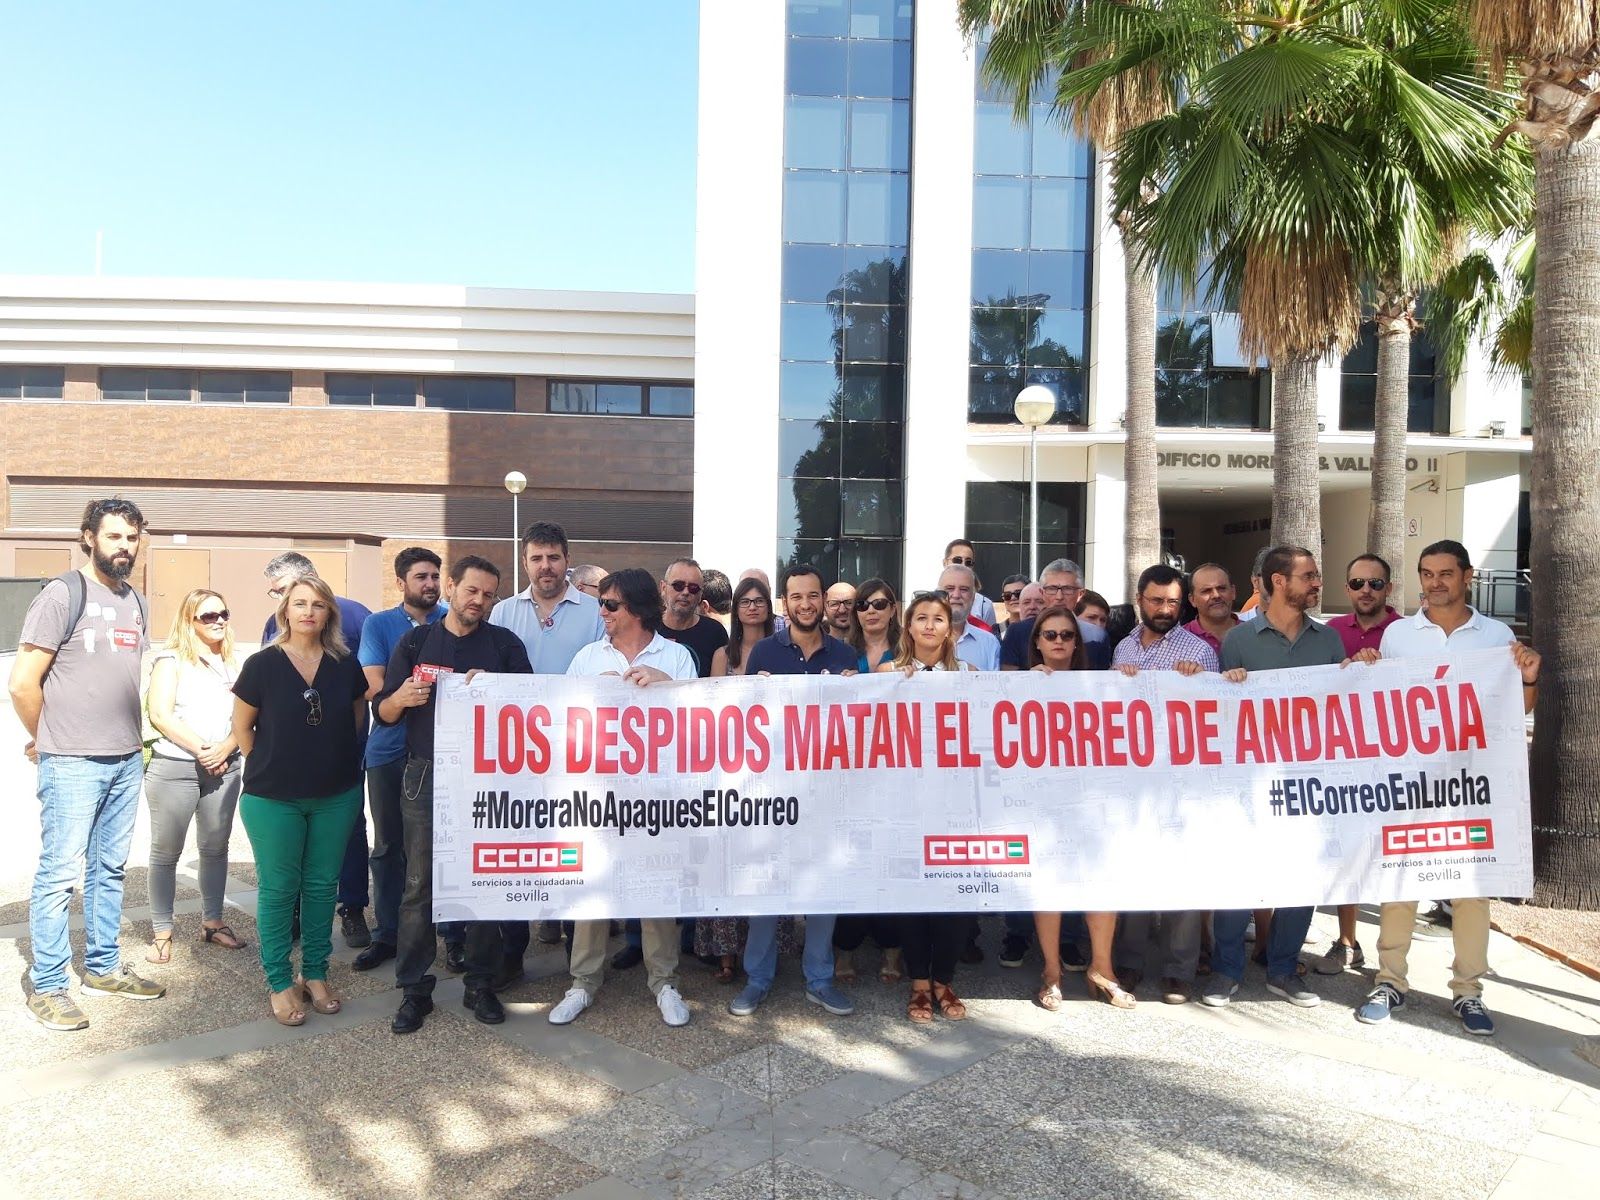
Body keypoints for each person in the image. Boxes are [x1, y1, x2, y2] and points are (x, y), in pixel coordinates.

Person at [1353, 541, 1541, 1037]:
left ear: (1467, 577)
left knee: (1472, 890)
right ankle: (1390, 980)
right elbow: (1381, 706)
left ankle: (1468, 992)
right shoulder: (1398, 635)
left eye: (1445, 573)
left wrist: (1528, 681)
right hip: (1411, 786)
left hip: (1471, 786)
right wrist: (1369, 666)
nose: (1435, 582)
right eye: (1427, 573)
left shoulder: (1497, 635)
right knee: (1400, 880)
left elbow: (1511, 713)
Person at [11, 498, 165, 1029]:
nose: (125, 546)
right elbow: (22, 682)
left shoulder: (137, 602)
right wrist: (46, 738)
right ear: (88, 538)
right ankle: (49, 985)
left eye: (132, 537)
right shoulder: (62, 594)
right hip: (72, 761)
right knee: (59, 876)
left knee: (109, 870)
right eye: (115, 536)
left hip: (125, 757)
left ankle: (103, 966)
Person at [376, 556, 534, 1034]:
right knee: (419, 885)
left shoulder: (505, 644)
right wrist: (398, 700)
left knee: (484, 881)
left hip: (487, 779)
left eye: (488, 595)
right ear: (450, 587)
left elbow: (530, 710)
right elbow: (384, 711)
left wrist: (498, 694)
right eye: (472, 591)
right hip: (426, 775)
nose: (479, 602)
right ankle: (413, 988)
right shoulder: (416, 641)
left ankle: (480, 983)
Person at [547, 567, 696, 1028]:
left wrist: (666, 684)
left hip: (657, 795)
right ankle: (582, 981)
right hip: (597, 795)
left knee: (655, 887)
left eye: (611, 605)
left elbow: (701, 722)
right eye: (601, 604)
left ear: (636, 608)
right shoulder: (588, 658)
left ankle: (665, 982)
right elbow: (558, 718)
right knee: (591, 884)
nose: (603, 612)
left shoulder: (675, 656)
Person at [1205, 546, 1346, 1010]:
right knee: (1237, 876)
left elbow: (1345, 708)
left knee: (1299, 878)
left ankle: (1284, 970)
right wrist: (1230, 686)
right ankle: (1226, 971)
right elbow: (1221, 714)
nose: (1316, 583)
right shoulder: (1239, 642)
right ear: (1278, 581)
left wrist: (1361, 675)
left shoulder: (1328, 643)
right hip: (1248, 785)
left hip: (1308, 785)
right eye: (1308, 576)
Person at [232, 575, 368, 1027]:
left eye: (318, 605)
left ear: (330, 613)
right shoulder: (261, 664)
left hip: (336, 794)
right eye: (300, 603)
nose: (308, 612)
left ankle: (315, 972)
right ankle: (278, 980)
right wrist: (271, 764)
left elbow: (353, 720)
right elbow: (242, 728)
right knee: (278, 889)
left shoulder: (345, 665)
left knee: (321, 886)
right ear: (285, 611)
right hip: (273, 799)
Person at [731, 564, 856, 1019]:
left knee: (824, 886)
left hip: (825, 793)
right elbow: (744, 723)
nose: (805, 604)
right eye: (796, 597)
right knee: (766, 885)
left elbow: (857, 726)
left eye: (813, 595)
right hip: (773, 793)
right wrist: (753, 691)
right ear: (785, 604)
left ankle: (819, 979)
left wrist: (854, 692)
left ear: (823, 600)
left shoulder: (844, 656)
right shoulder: (764, 650)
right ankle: (758, 978)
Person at [489, 521, 608, 981]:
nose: (545, 566)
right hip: (517, 756)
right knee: (520, 851)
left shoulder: (597, 611)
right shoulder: (502, 612)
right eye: (536, 558)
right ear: (525, 562)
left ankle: (579, 961)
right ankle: (511, 953)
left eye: (553, 557)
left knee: (577, 849)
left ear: (567, 559)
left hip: (580, 754)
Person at [1109, 566, 1217, 1005]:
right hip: (1133, 781)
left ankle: (1178, 971)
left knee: (1182, 873)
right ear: (1140, 598)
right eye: (1156, 600)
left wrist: (1197, 683)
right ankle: (1130, 963)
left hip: (1183, 781)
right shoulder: (1122, 647)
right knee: (1135, 868)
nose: (1165, 609)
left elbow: (1214, 715)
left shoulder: (1199, 652)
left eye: (1173, 602)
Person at [259, 551, 374, 950]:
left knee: (347, 827)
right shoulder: (275, 625)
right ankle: (296, 909)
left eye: (277, 590)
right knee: (294, 834)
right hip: (287, 757)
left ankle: (352, 907)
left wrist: (343, 739)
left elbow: (362, 689)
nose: (275, 599)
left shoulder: (357, 616)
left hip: (340, 752)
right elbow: (261, 695)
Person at [1024, 605, 1132, 1011]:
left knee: (1102, 881)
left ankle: (1102, 969)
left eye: (1066, 635)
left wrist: (1132, 685)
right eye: (1049, 635)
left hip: (1093, 798)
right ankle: (1051, 972)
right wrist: (1024, 685)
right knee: (1048, 883)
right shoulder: (1016, 684)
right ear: (1036, 641)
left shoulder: (1101, 684)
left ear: (1076, 642)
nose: (1057, 642)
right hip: (1041, 800)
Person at [876, 591, 976, 1021]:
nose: (930, 625)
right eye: (922, 618)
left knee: (952, 897)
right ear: (909, 627)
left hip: (955, 803)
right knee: (913, 897)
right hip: (905, 803)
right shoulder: (887, 673)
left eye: (939, 618)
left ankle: (944, 980)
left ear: (950, 628)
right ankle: (918, 983)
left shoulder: (970, 674)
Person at [352, 547, 445, 973]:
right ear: (401, 583)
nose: (430, 584)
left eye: (435, 576)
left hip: (441, 753)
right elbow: (374, 687)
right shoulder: (379, 624)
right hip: (389, 751)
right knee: (389, 846)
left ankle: (449, 935)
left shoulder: (452, 621)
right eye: (421, 577)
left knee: (441, 848)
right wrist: (410, 692)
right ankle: (387, 933)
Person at [144, 588, 245, 965]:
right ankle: (161, 931)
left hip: (225, 765)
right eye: (208, 616)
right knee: (166, 851)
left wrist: (226, 748)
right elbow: (161, 715)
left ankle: (213, 922)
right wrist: (205, 749)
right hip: (176, 767)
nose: (218, 620)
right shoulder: (170, 661)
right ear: (189, 620)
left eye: (223, 613)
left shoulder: (236, 662)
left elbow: (248, 715)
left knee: (216, 847)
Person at [1314, 553, 1401, 976]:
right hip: (1342, 757)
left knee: (1390, 853)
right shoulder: (1330, 632)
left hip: (1393, 757)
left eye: (1375, 583)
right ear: (1346, 588)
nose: (1366, 590)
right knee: (1346, 849)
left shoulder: (1404, 633)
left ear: (1389, 587)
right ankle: (1347, 940)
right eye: (1356, 583)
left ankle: (1391, 952)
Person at [1001, 559, 1110, 671]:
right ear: (1042, 592)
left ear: (1080, 594)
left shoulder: (1097, 636)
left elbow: (1102, 681)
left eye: (1067, 589)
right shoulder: (1018, 632)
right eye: (1051, 589)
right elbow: (1008, 680)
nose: (1059, 597)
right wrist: (1029, 678)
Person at [657, 557, 729, 677]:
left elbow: (717, 686)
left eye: (693, 588)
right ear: (663, 588)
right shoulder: (647, 628)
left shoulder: (715, 632)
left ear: (700, 594)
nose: (685, 592)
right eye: (678, 585)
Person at [710, 575, 774, 679]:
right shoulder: (723, 656)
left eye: (759, 601)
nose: (752, 607)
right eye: (745, 602)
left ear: (768, 607)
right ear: (736, 609)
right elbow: (715, 694)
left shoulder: (782, 651)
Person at [939, 564, 1000, 671]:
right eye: (950, 589)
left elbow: (996, 686)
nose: (956, 595)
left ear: (973, 597)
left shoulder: (990, 643)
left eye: (964, 589)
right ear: (938, 594)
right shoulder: (920, 639)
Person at [1183, 563, 1240, 656]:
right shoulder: (1179, 640)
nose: (1216, 595)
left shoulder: (1255, 635)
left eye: (1221, 588)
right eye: (1206, 591)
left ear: (1233, 592)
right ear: (1192, 599)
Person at [847, 577, 901, 673]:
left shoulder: (908, 649)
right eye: (862, 605)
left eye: (879, 604)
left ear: (892, 610)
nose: (871, 611)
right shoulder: (842, 651)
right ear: (856, 613)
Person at [943, 540, 997, 627]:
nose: (963, 565)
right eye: (957, 560)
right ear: (945, 563)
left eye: (968, 562)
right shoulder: (929, 601)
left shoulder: (984, 605)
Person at [1237, 546, 1272, 619]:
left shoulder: (1300, 625)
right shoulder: (1239, 625)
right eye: (1269, 576)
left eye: (1287, 577)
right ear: (1255, 581)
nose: (1278, 584)